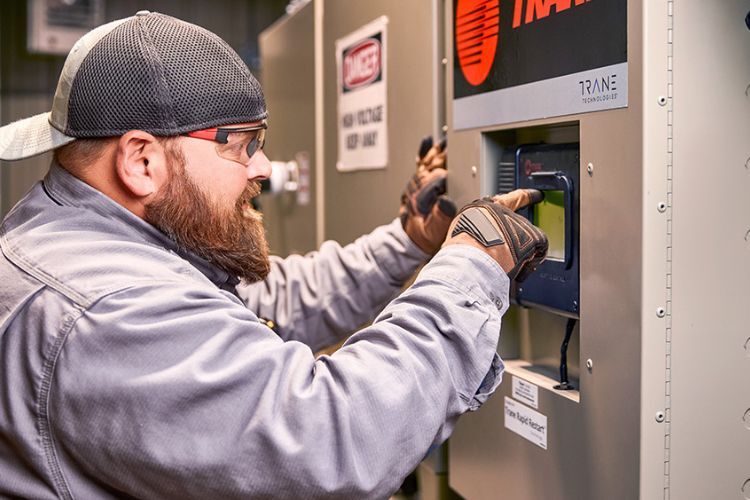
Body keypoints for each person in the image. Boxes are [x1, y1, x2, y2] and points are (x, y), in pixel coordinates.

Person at [0, 11, 547, 500]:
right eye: (242, 145)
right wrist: (471, 267)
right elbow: (330, 439)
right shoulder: (110, 311)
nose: (263, 168)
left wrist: (411, 241)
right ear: (141, 161)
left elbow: (269, 299)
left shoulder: (89, 238)